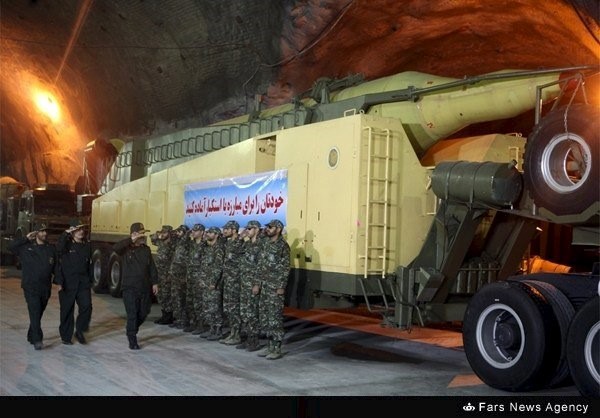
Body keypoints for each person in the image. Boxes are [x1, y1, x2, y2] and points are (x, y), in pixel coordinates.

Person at [9, 223, 57, 350]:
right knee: (35, 311)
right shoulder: (25, 248)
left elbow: (56, 267)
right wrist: (25, 238)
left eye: (46, 231)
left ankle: (31, 335)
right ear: (35, 233)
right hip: (30, 286)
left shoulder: (51, 249)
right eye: (41, 231)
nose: (45, 234)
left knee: (39, 312)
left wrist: (60, 282)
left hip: (45, 287)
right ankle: (37, 339)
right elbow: (11, 246)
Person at [112, 222, 159, 350]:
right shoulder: (126, 249)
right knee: (132, 314)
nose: (144, 236)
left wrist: (155, 282)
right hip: (129, 287)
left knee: (144, 311)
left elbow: (151, 267)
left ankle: (131, 328)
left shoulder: (146, 249)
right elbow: (115, 248)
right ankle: (132, 338)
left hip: (143, 287)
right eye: (141, 233)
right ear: (134, 234)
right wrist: (130, 240)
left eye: (144, 233)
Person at [255, 219, 290, 360]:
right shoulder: (265, 244)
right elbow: (260, 266)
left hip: (275, 288)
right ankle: (269, 345)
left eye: (271, 227)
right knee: (265, 317)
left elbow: (285, 268)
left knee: (275, 318)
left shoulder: (283, 246)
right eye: (267, 227)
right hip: (264, 286)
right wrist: (257, 283)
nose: (268, 229)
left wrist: (281, 286)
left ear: (279, 229)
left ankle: (277, 348)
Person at [55, 223, 93, 345]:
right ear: (72, 232)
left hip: (83, 282)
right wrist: (65, 233)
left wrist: (90, 280)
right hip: (68, 282)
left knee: (87, 306)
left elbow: (89, 265)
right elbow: (58, 248)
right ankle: (66, 337)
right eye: (77, 229)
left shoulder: (87, 246)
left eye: (82, 229)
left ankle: (80, 330)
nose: (81, 232)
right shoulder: (66, 244)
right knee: (67, 310)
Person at [236, 220, 263, 352]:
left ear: (257, 229)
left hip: (253, 284)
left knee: (252, 313)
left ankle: (254, 341)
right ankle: (246, 338)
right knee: (244, 312)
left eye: (250, 228)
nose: (247, 231)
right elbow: (235, 254)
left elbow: (261, 267)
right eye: (246, 228)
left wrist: (257, 284)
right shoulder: (246, 244)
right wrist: (240, 239)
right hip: (244, 282)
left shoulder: (261, 245)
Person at [219, 220, 244, 345]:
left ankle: (237, 335)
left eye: (227, 229)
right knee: (228, 308)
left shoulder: (239, 244)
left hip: (235, 281)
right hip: (228, 280)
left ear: (234, 230)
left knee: (234, 308)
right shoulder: (229, 243)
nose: (224, 231)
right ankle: (232, 333)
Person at [150, 225, 176, 325]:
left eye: (165, 232)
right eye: (162, 232)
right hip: (159, 273)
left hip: (167, 274)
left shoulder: (172, 245)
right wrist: (157, 234)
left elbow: (174, 260)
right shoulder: (160, 243)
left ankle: (169, 316)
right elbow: (152, 238)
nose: (163, 234)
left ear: (170, 233)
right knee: (160, 295)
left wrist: (170, 274)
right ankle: (164, 314)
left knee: (167, 295)